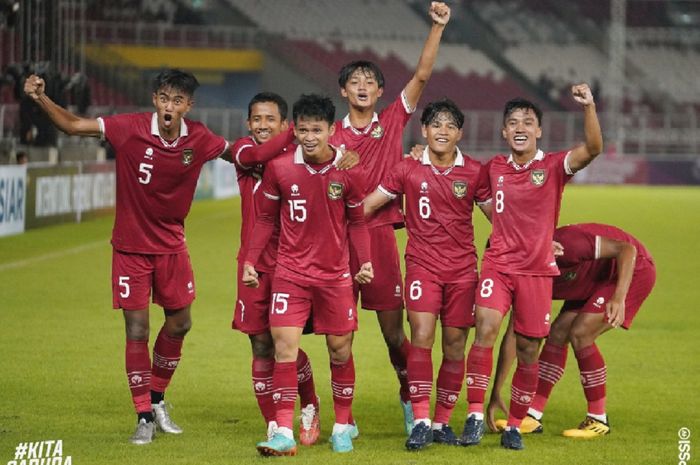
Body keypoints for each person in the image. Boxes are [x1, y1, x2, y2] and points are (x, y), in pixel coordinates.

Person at [24, 69, 230, 445]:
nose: (170, 106)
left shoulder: (199, 138)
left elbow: (242, 155)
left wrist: (297, 146)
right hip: (131, 249)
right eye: (164, 98)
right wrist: (40, 98)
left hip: (172, 248)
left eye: (178, 100)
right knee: (137, 330)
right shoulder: (128, 127)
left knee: (181, 324)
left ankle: (156, 398)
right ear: (155, 99)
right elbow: (72, 125)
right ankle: (144, 415)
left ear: (188, 106)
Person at [329, 1, 451, 435]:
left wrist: (435, 27)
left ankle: (409, 398)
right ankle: (343, 418)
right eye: (354, 82)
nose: (362, 86)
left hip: (378, 237)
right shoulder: (329, 136)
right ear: (343, 91)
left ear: (380, 92)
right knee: (339, 338)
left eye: (370, 82)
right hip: (338, 241)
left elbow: (420, 76)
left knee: (392, 333)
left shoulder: (392, 120)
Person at [461, 84, 603, 451]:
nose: (520, 127)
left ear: (539, 130)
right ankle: (475, 415)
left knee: (527, 349)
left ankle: (514, 425)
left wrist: (588, 107)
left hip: (537, 273)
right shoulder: (493, 168)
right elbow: (466, 185)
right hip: (499, 266)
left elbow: (593, 149)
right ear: (504, 132)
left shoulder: (553, 166)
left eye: (527, 121)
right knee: (486, 327)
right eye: (512, 122)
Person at [242, 94, 373, 456]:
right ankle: (284, 430)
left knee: (340, 350)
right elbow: (266, 219)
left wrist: (364, 262)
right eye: (303, 129)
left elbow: (358, 222)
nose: (310, 136)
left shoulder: (348, 170)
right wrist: (251, 261)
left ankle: (343, 425)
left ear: (332, 130)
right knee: (284, 349)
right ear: (294, 130)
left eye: (317, 129)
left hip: (335, 278)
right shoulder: (280, 168)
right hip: (290, 274)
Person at [364, 99, 491, 450]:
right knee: (421, 336)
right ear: (424, 130)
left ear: (460, 133)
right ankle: (420, 419)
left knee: (454, 345)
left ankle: (442, 422)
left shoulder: (475, 172)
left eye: (450, 125)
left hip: (463, 271)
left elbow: (498, 216)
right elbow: (368, 204)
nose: (443, 131)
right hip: (422, 267)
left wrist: (536, 240)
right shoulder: (407, 169)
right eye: (436, 125)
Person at [487, 223, 656, 438]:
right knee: (557, 333)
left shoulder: (565, 244)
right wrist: (496, 392)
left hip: (632, 270)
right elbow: (514, 333)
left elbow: (627, 250)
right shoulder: (522, 274)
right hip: (593, 279)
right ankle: (532, 414)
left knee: (581, 333)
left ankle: (598, 419)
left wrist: (618, 298)